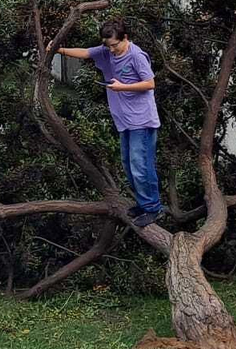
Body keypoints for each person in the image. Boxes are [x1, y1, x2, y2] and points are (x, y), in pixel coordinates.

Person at [59, 19, 163, 227]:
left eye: (115, 45)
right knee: (128, 164)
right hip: (124, 120)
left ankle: (153, 208)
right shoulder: (107, 51)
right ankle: (143, 204)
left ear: (125, 38)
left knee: (140, 165)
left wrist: (122, 87)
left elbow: (150, 83)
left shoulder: (136, 56)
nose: (112, 49)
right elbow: (86, 52)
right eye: (108, 45)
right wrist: (58, 49)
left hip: (141, 120)